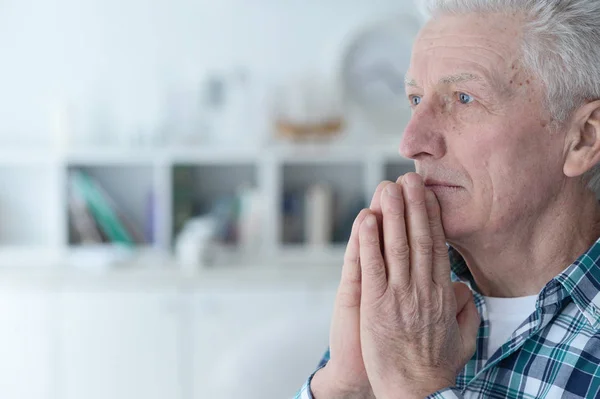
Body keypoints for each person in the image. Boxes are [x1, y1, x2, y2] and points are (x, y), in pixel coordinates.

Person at [295, 0, 600, 398]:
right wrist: (344, 384)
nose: (411, 143)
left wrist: (412, 384)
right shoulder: (408, 297)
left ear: (583, 139)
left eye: (463, 98)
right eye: (416, 99)